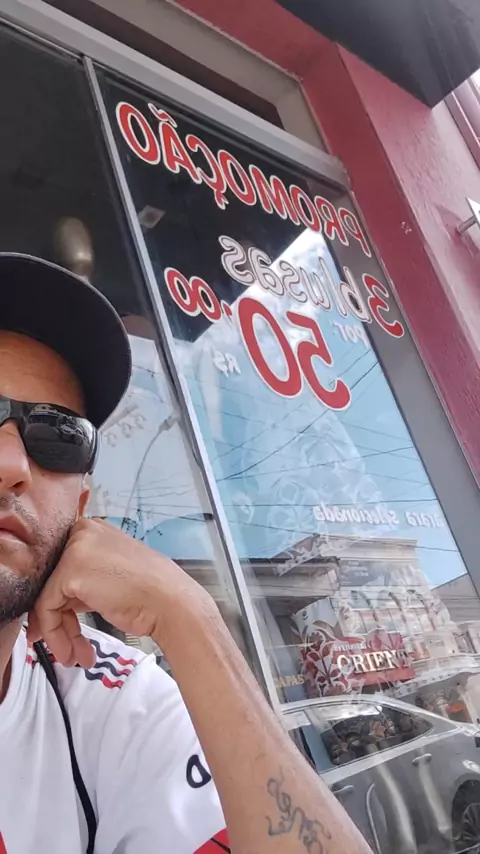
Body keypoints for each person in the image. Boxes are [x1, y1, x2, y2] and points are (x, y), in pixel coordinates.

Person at [0, 253, 373, 854]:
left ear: (83, 507)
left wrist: (191, 619)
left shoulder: (113, 701)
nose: (11, 464)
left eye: (57, 436)